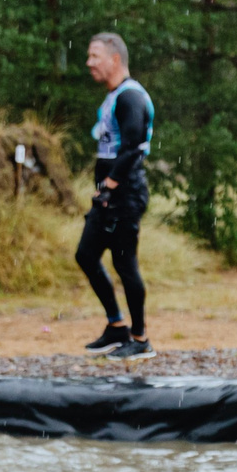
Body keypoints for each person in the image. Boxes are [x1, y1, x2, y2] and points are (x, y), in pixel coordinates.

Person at [77, 32, 154, 358]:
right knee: (86, 255)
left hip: (125, 194)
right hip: (108, 196)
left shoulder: (130, 97)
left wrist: (110, 185)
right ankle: (116, 327)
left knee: (125, 265)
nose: (89, 63)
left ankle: (139, 340)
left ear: (115, 59)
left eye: (95, 56)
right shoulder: (113, 97)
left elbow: (133, 148)